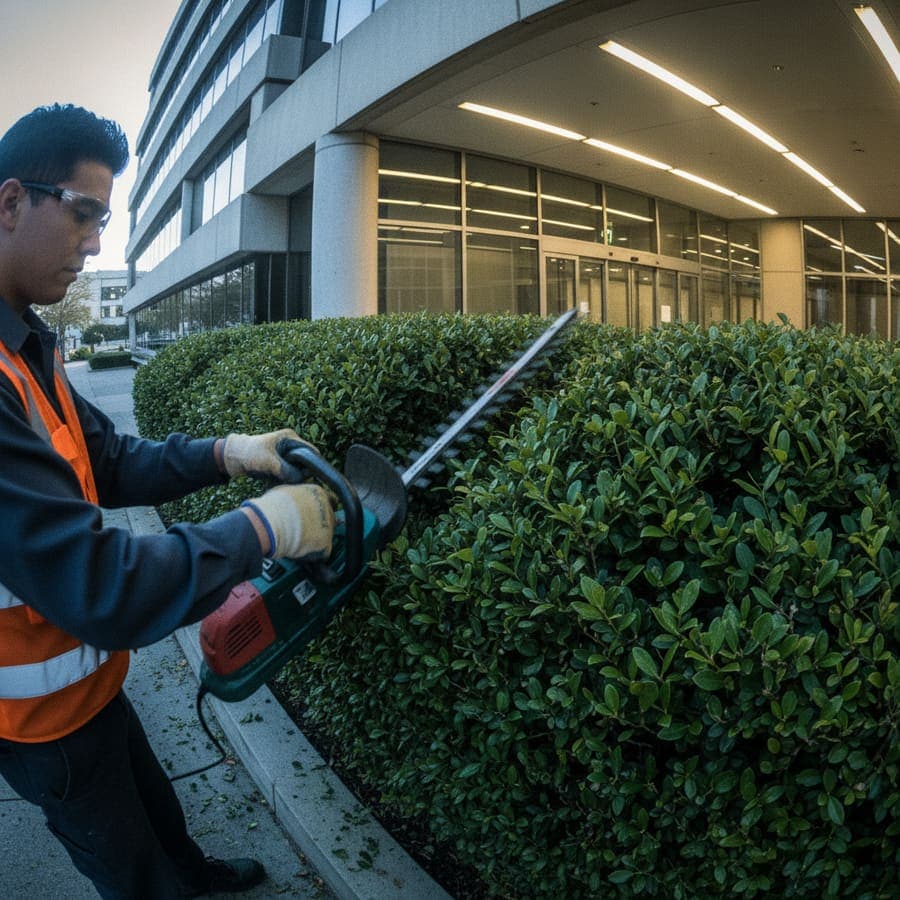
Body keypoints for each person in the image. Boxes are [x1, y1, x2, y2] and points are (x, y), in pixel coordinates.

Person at [0, 104, 335, 898]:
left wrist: (228, 454)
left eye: (103, 220)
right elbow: (101, 586)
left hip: (89, 690)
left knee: (158, 817)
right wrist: (263, 527)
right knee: (135, 872)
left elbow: (108, 458)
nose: (96, 243)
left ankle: (196, 876)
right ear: (11, 202)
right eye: (84, 214)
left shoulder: (26, 341)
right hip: (38, 727)